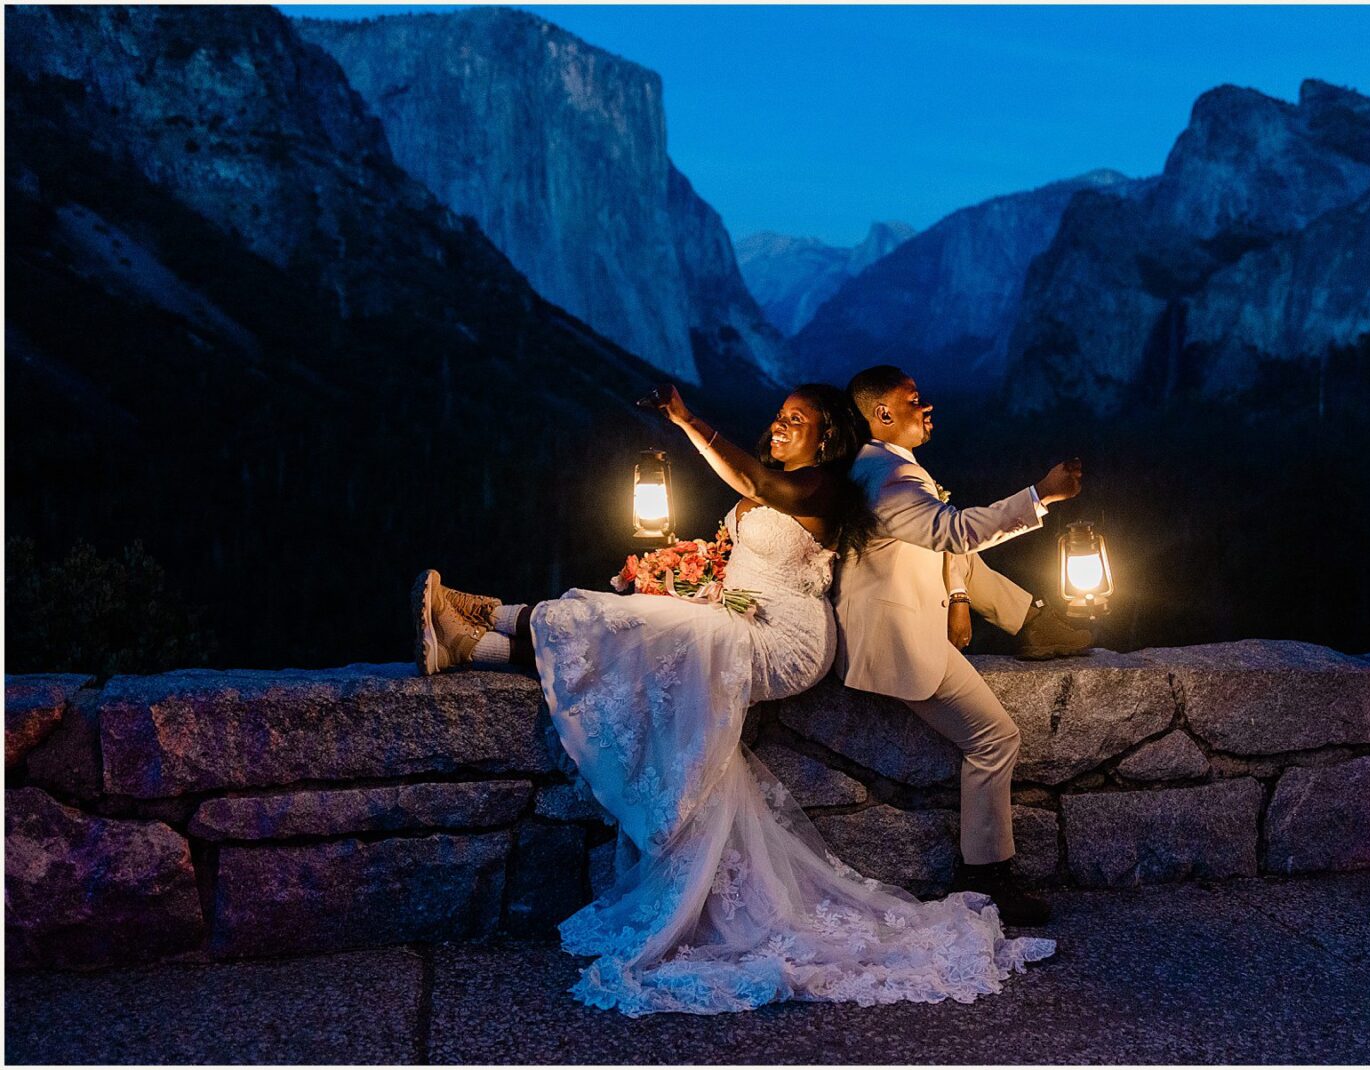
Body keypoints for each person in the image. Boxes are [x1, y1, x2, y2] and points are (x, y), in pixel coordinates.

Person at [410, 382, 1055, 1017]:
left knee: (635, 624)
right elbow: (749, 526)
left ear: (826, 435)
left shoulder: (822, 486)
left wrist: (688, 421)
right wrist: (686, 569)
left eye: (795, 419)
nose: (778, 425)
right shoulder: (810, 480)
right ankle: (470, 644)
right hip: (739, 618)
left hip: (789, 640)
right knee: (637, 626)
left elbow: (766, 487)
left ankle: (481, 610)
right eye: (777, 415)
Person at [835, 364, 1090, 927]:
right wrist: (1041, 495)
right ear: (882, 414)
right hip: (895, 638)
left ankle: (1030, 621)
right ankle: (986, 875)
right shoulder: (889, 477)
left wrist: (956, 596)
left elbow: (943, 539)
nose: (927, 408)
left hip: (906, 609)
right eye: (914, 399)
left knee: (964, 563)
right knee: (996, 738)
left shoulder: (881, 465)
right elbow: (953, 532)